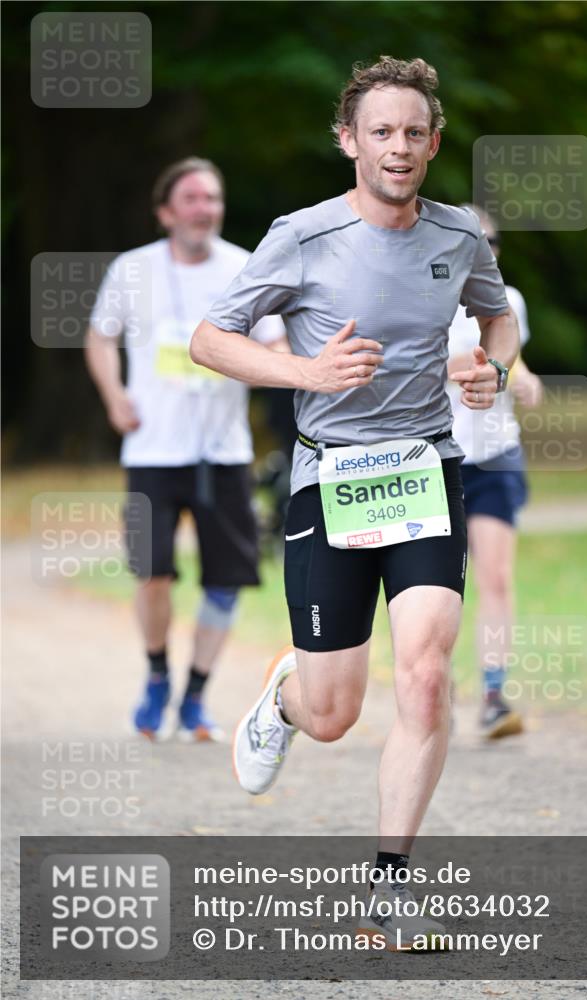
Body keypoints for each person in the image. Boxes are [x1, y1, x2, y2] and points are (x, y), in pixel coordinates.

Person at [191, 57, 519, 948]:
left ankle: (389, 885)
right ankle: (288, 697)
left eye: (414, 131)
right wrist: (304, 371)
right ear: (349, 141)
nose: (399, 146)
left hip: (425, 471)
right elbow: (208, 339)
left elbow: (499, 318)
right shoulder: (300, 236)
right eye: (381, 131)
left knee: (423, 672)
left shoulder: (458, 237)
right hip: (328, 478)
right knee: (334, 716)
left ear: (434, 141)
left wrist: (491, 367)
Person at [85, 157, 285, 741]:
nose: (206, 209)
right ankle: (155, 677)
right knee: (152, 574)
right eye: (193, 199)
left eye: (214, 199)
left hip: (224, 452)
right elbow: (100, 336)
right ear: (166, 211)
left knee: (226, 579)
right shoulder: (132, 269)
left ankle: (196, 696)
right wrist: (114, 395)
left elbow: (275, 345)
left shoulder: (244, 267)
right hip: (151, 448)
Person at [447, 206, 543, 738]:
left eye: (493, 240)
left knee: (497, 578)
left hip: (497, 452)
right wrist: (470, 367)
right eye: (474, 239)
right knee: (439, 587)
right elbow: (405, 368)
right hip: (436, 460)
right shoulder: (425, 299)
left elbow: (515, 357)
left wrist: (525, 379)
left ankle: (492, 695)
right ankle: (432, 688)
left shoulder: (510, 302)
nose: (485, 248)